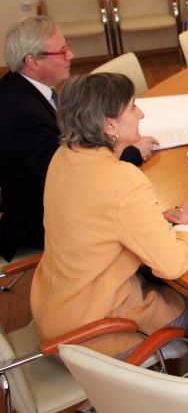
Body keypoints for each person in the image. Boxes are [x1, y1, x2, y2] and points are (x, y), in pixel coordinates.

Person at [30, 73, 188, 360]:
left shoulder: (63, 156)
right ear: (109, 125)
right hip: (94, 336)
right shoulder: (122, 180)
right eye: (133, 107)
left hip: (56, 314)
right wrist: (187, 227)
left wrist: (152, 218)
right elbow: (172, 265)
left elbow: (96, 218)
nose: (141, 114)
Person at [0, 16, 157, 261]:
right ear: (32, 61)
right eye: (62, 51)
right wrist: (131, 151)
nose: (71, 55)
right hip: (45, 220)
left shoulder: (23, 88)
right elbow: (70, 174)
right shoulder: (22, 112)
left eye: (68, 47)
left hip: (58, 201)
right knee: (141, 222)